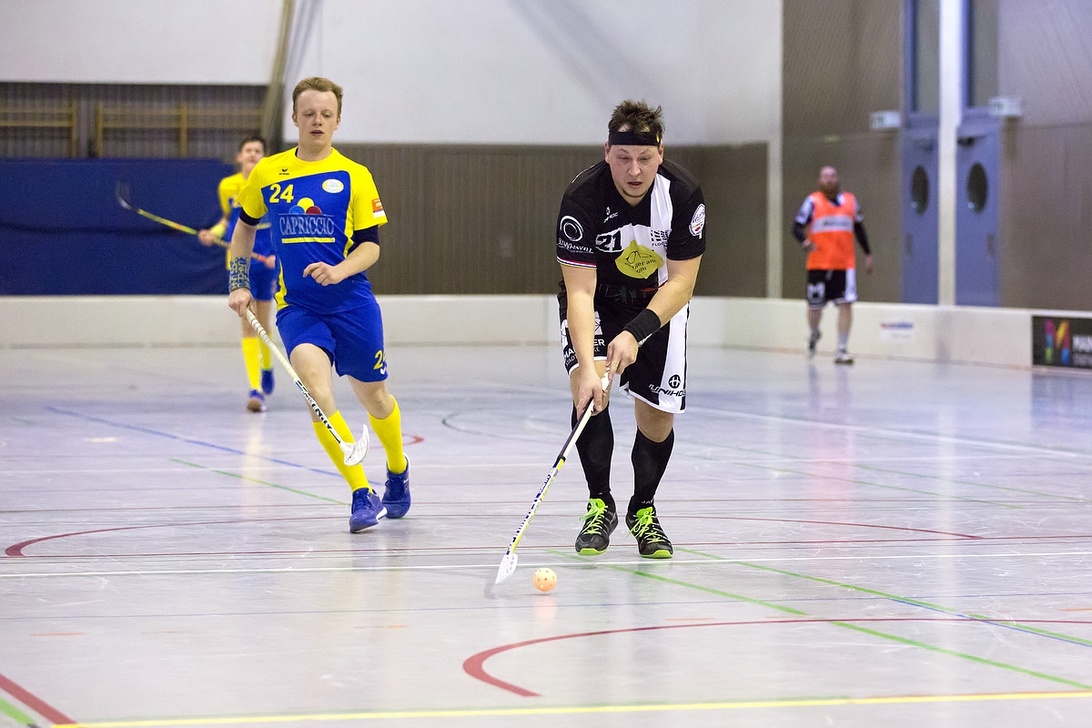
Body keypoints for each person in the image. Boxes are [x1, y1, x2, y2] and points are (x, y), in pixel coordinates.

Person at [226, 76, 410, 533]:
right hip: (298, 309)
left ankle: (397, 469)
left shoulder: (355, 174)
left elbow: (371, 247)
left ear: (338, 121)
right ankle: (360, 492)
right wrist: (239, 281)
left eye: (326, 114)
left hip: (352, 303)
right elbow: (244, 228)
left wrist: (340, 270)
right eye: (308, 113)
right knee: (317, 394)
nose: (317, 121)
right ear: (294, 117)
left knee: (376, 398)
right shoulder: (267, 172)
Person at [555, 100, 705, 559]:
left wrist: (637, 332)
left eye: (644, 158)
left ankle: (643, 508)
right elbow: (580, 291)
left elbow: (682, 283)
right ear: (607, 152)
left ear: (660, 154)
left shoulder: (683, 195)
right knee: (589, 394)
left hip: (657, 306)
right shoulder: (582, 198)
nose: (634, 171)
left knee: (656, 419)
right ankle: (599, 503)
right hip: (597, 302)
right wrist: (587, 366)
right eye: (623, 158)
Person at [198, 136, 279, 412]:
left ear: (265, 157)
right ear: (239, 156)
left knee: (263, 323)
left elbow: (280, 224)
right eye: (248, 151)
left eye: (258, 151)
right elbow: (227, 220)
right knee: (248, 325)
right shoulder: (227, 186)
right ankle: (255, 389)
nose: (253, 155)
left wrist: (276, 256)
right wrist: (214, 233)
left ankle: (267, 366)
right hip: (240, 263)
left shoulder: (273, 186)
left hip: (267, 261)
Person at [792, 165, 873, 364]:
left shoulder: (850, 201)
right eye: (825, 177)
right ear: (820, 180)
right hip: (818, 264)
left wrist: (867, 253)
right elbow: (796, 226)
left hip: (844, 265)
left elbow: (859, 228)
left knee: (846, 304)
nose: (829, 180)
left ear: (837, 179)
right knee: (814, 308)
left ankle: (842, 349)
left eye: (832, 176)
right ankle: (814, 332)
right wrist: (804, 241)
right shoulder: (812, 202)